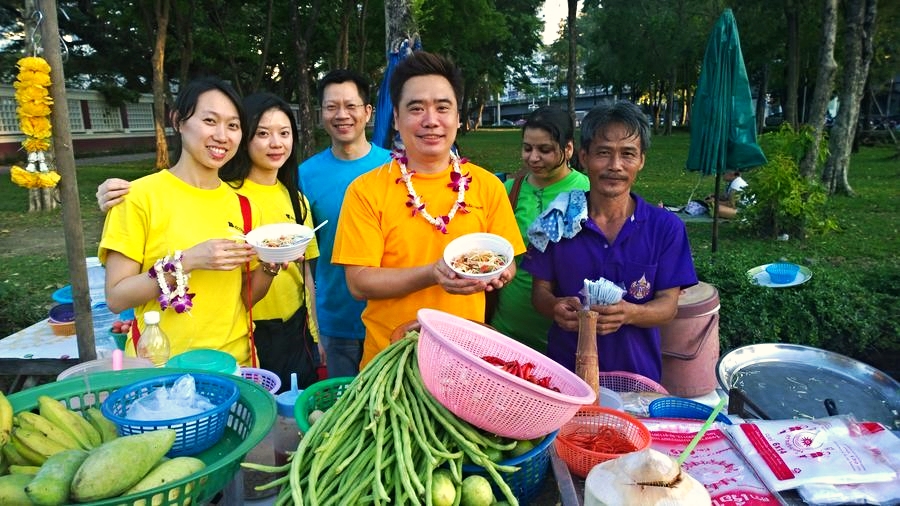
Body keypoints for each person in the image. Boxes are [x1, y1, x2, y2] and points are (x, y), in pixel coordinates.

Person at [97, 91, 323, 388]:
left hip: (237, 365)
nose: (221, 135)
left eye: (232, 126)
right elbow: (116, 297)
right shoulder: (138, 197)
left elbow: (246, 298)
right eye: (209, 121)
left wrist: (271, 264)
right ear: (178, 121)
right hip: (161, 366)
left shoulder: (243, 205)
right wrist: (188, 261)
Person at [331, 52, 525, 368]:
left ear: (458, 118)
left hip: (464, 361)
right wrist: (434, 274)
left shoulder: (487, 186)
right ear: (395, 118)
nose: (431, 120)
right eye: (416, 108)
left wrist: (498, 274)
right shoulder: (366, 190)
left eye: (442, 107)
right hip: (389, 365)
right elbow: (358, 282)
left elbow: (508, 262)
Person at [521, 101, 698, 383]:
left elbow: (668, 307)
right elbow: (539, 294)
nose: (615, 166)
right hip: (565, 378)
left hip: (637, 380)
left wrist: (631, 313)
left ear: (641, 160)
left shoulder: (665, 228)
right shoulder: (555, 219)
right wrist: (554, 307)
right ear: (584, 156)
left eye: (627, 154)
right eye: (603, 153)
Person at [217, 92, 321, 390]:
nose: (276, 143)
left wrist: (316, 332)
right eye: (263, 133)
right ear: (245, 138)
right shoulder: (226, 196)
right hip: (250, 329)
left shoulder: (296, 199)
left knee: (298, 408)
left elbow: (306, 272)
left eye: (284, 133)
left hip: (296, 327)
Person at [298, 69, 391, 378]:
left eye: (351, 106)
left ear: (368, 112)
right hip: (336, 320)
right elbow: (303, 257)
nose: (342, 115)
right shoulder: (305, 175)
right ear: (321, 113)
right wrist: (314, 322)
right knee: (341, 411)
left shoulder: (396, 168)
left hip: (393, 319)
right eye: (331, 107)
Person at [488, 106, 589, 352]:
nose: (533, 158)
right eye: (527, 148)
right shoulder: (509, 190)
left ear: (568, 149)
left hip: (564, 332)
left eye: (545, 150)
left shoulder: (587, 190)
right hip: (507, 326)